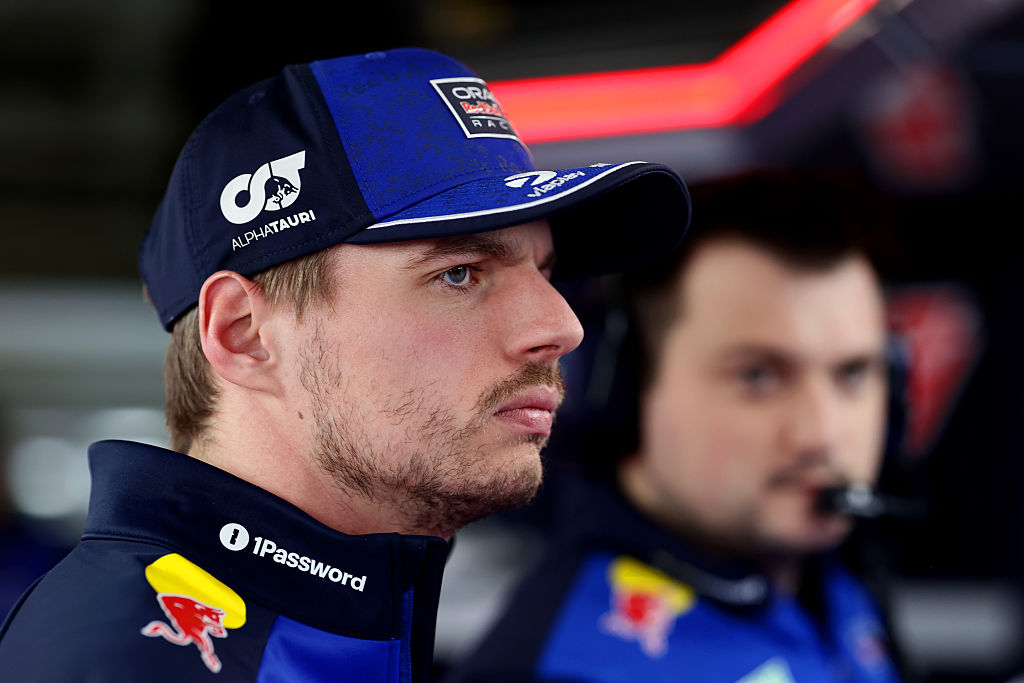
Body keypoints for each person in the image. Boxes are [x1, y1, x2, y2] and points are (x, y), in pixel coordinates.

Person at [0, 47, 690, 681]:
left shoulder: (323, 628)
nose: (562, 326)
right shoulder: (131, 662)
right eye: (460, 273)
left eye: (546, 271)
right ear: (243, 334)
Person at [447, 171, 904, 682]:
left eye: (853, 373)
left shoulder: (833, 583)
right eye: (758, 376)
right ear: (624, 387)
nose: (822, 435)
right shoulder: (559, 668)